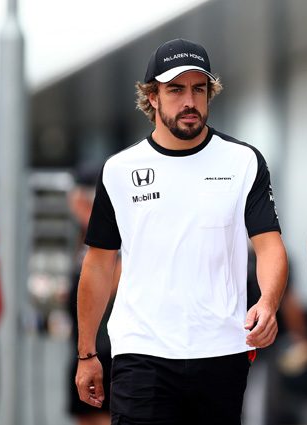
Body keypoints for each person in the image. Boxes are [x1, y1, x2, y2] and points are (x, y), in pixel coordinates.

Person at [75, 38, 288, 425]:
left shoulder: (243, 161)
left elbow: (270, 247)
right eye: (176, 89)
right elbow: (99, 264)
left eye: (199, 89)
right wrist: (87, 353)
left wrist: (269, 302)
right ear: (153, 96)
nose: (189, 100)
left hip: (222, 350)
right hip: (141, 352)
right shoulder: (119, 170)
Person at [67, 163, 119, 425]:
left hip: (105, 345)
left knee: (100, 413)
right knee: (87, 413)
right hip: (87, 343)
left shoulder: (109, 233)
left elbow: (113, 283)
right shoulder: (85, 234)